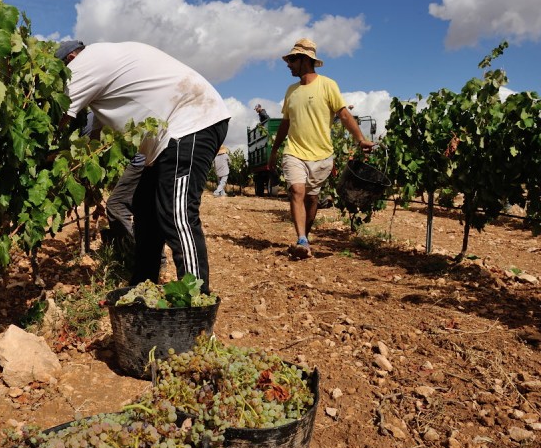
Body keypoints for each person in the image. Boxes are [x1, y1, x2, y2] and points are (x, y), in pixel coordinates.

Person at [56, 40, 230, 292]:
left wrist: (42, 154)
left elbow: (60, 114)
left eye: (62, 70)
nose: (63, 79)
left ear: (71, 58)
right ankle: (142, 286)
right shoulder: (105, 67)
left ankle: (196, 301)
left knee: (177, 213)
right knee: (145, 209)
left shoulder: (86, 61)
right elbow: (93, 137)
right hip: (175, 133)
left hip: (191, 123)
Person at [267, 38, 374, 259]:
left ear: (304, 60)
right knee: (296, 191)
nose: (288, 64)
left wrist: (360, 139)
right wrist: (275, 149)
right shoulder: (291, 91)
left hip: (322, 155)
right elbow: (285, 123)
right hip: (294, 151)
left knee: (312, 199)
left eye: (292, 60)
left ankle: (305, 236)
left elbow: (344, 114)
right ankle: (301, 239)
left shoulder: (328, 85)